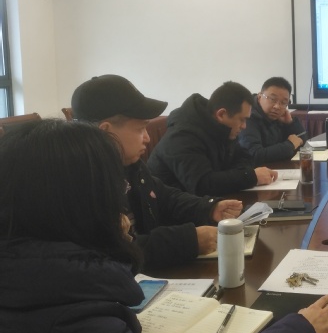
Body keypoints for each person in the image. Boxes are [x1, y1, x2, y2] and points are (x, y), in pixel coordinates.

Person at [0, 119, 328, 333]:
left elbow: (166, 196)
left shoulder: (36, 278)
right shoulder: (73, 328)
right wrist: (300, 331)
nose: (122, 211)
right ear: (76, 206)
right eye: (111, 192)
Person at [71, 74, 243, 269]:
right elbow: (114, 253)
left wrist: (208, 208)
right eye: (140, 129)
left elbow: (164, 197)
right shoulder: (81, 184)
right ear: (106, 132)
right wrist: (188, 240)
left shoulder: (130, 164)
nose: (147, 138)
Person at [148, 81, 278, 197]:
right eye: (241, 119)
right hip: (171, 209)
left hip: (203, 203)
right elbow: (202, 185)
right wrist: (251, 177)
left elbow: (243, 156)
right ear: (221, 114)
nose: (244, 126)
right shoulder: (182, 137)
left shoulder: (222, 128)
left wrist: (240, 174)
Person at [238, 77, 308, 166]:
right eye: (272, 99)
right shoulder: (248, 117)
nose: (277, 106)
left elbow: (301, 140)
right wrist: (290, 145)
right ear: (259, 97)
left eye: (283, 103)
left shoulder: (280, 117)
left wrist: (290, 123)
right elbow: (255, 155)